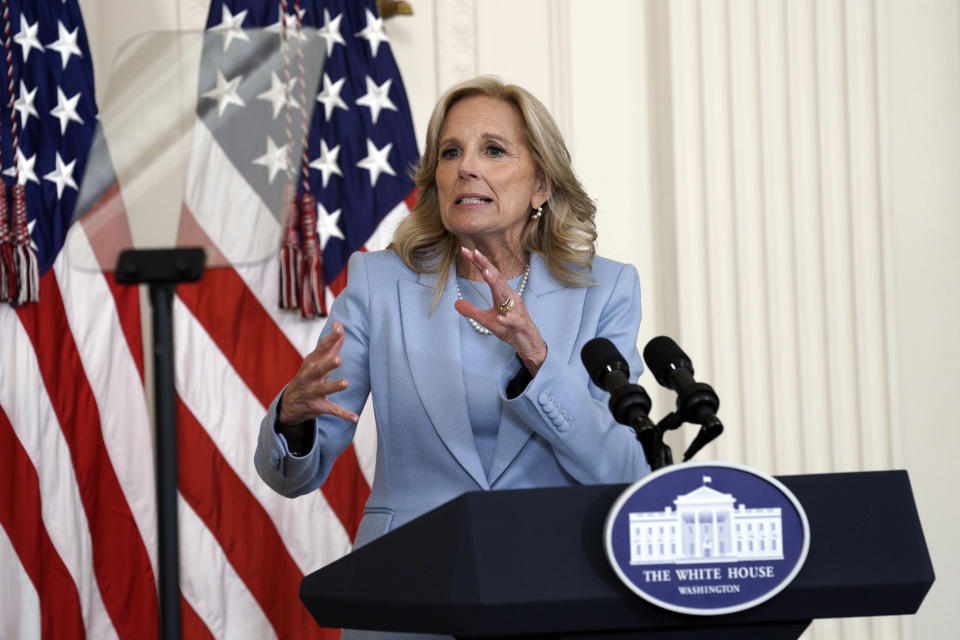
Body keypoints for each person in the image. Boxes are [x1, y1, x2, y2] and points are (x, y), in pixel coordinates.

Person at [255, 76, 649, 630]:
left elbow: (625, 470)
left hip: (555, 594)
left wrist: (539, 361)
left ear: (541, 184)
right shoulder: (378, 284)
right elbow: (293, 475)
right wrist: (293, 421)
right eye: (450, 152)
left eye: (493, 150)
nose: (467, 167)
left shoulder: (604, 291)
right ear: (435, 180)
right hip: (407, 595)